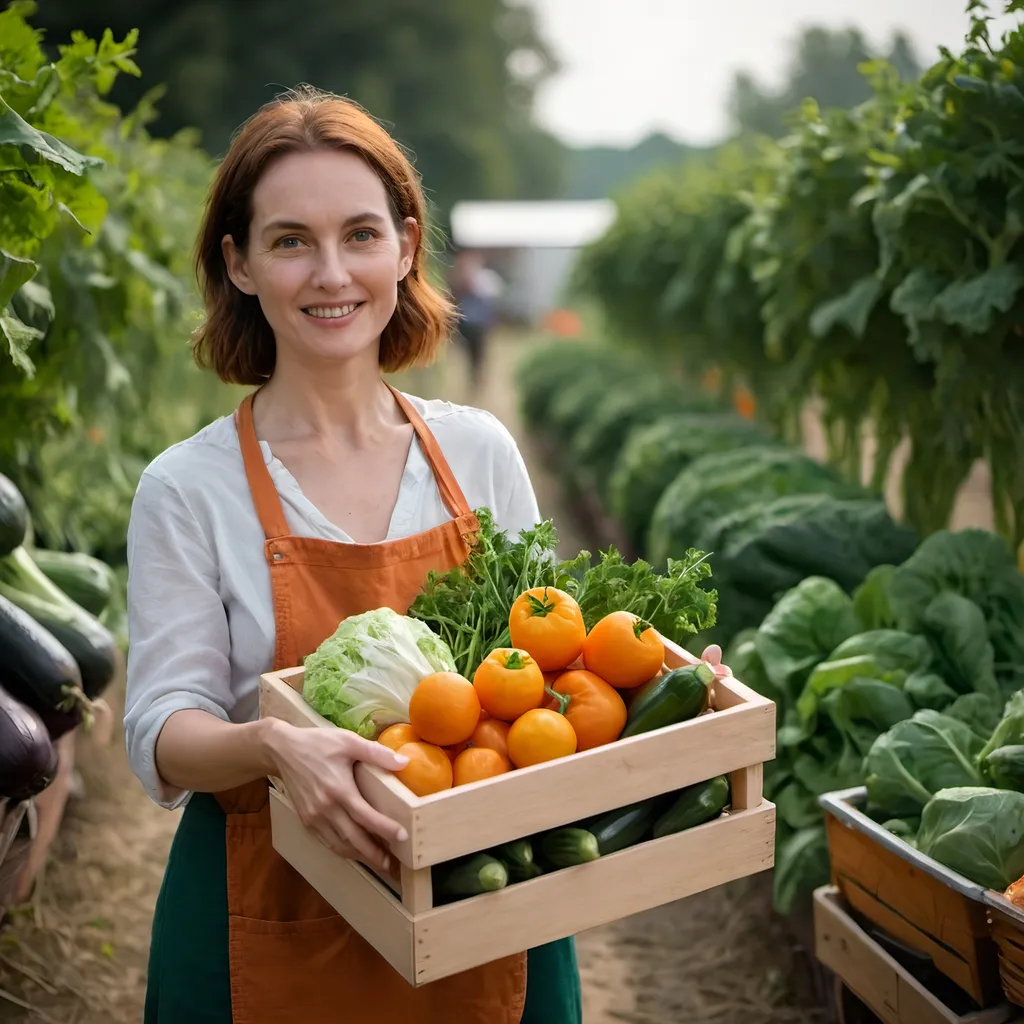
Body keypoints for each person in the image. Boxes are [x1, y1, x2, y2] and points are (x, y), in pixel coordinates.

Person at [123, 86, 582, 1023]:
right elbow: (161, 732)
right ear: (239, 263)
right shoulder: (188, 487)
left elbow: (553, 669)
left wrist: (657, 687)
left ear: (406, 246)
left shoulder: (478, 453)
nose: (331, 272)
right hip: (266, 913)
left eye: (361, 235)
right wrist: (273, 748)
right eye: (290, 240)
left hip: (485, 905)